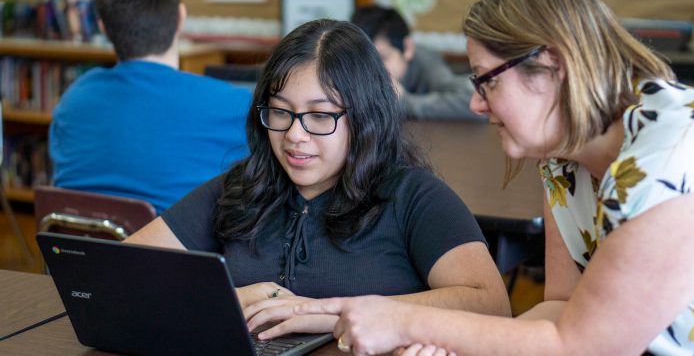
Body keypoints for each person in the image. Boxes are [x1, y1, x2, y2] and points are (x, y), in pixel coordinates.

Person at [295, 0, 694, 355]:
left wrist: (408, 322)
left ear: (551, 66)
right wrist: (444, 341)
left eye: (487, 82)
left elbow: (582, 346)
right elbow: (560, 307)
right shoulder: (562, 158)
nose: (475, 104)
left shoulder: (670, 153)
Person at [125, 19, 511, 339]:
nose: (294, 135)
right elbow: (126, 269)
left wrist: (328, 312)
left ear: (363, 118)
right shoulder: (241, 187)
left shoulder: (412, 196)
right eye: (280, 112)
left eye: (320, 116)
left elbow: (491, 303)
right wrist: (226, 298)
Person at [49, 0, 251, 214]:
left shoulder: (73, 99)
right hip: (179, 249)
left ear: (103, 27)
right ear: (181, 17)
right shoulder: (235, 106)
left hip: (80, 248)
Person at [351, 5, 485, 121]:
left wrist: (404, 101)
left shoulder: (427, 62)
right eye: (365, 60)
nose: (372, 70)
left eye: (382, 58)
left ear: (408, 48)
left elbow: (469, 103)